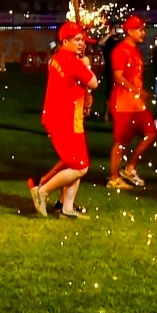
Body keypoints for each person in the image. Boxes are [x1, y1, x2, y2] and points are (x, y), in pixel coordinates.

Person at [29, 21, 99, 219]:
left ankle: (65, 207)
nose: (81, 44)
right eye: (77, 40)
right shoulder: (72, 62)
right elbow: (93, 82)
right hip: (64, 119)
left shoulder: (59, 58)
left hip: (67, 117)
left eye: (83, 40)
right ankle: (43, 191)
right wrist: (86, 64)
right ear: (65, 41)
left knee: (74, 161)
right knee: (80, 166)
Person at [107, 14, 156, 189]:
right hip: (123, 103)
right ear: (130, 31)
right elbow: (118, 77)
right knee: (121, 142)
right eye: (140, 29)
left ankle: (130, 167)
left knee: (151, 133)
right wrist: (137, 91)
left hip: (136, 102)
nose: (143, 33)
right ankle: (113, 178)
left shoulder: (135, 50)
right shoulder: (120, 50)